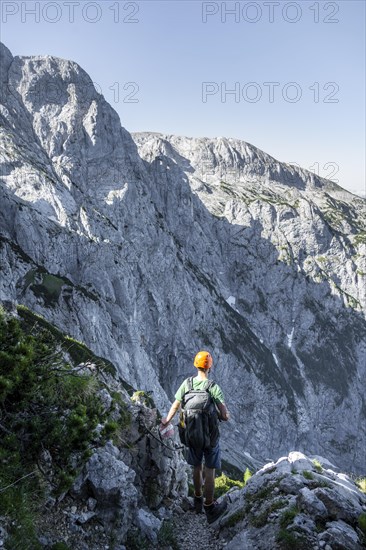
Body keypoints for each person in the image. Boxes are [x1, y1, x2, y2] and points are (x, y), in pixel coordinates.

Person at [161, 351, 230, 523]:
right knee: (210, 470)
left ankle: (197, 501)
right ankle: (210, 507)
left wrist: (166, 421)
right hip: (210, 437)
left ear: (195, 365)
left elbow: (176, 405)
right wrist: (223, 416)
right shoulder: (213, 387)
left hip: (192, 435)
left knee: (197, 468)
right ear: (210, 367)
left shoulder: (187, 384)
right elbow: (224, 414)